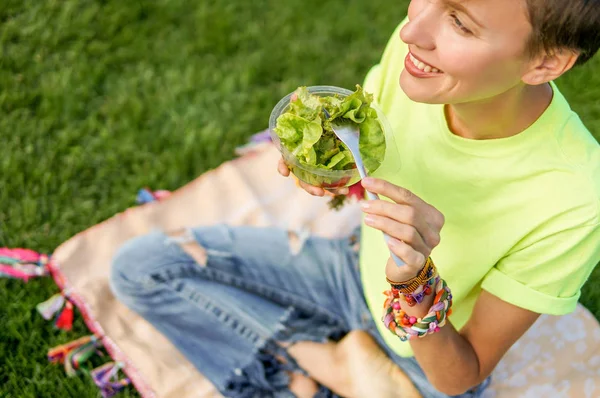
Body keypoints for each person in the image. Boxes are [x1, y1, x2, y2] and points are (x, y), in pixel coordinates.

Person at [110, 0, 600, 397]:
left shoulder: (576, 195)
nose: (412, 29)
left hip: (425, 357)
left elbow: (459, 376)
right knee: (141, 267)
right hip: (350, 268)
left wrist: (416, 282)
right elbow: (366, 157)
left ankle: (310, 368)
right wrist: (331, 170)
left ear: (546, 62)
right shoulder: (419, 60)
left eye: (459, 21)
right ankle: (321, 361)